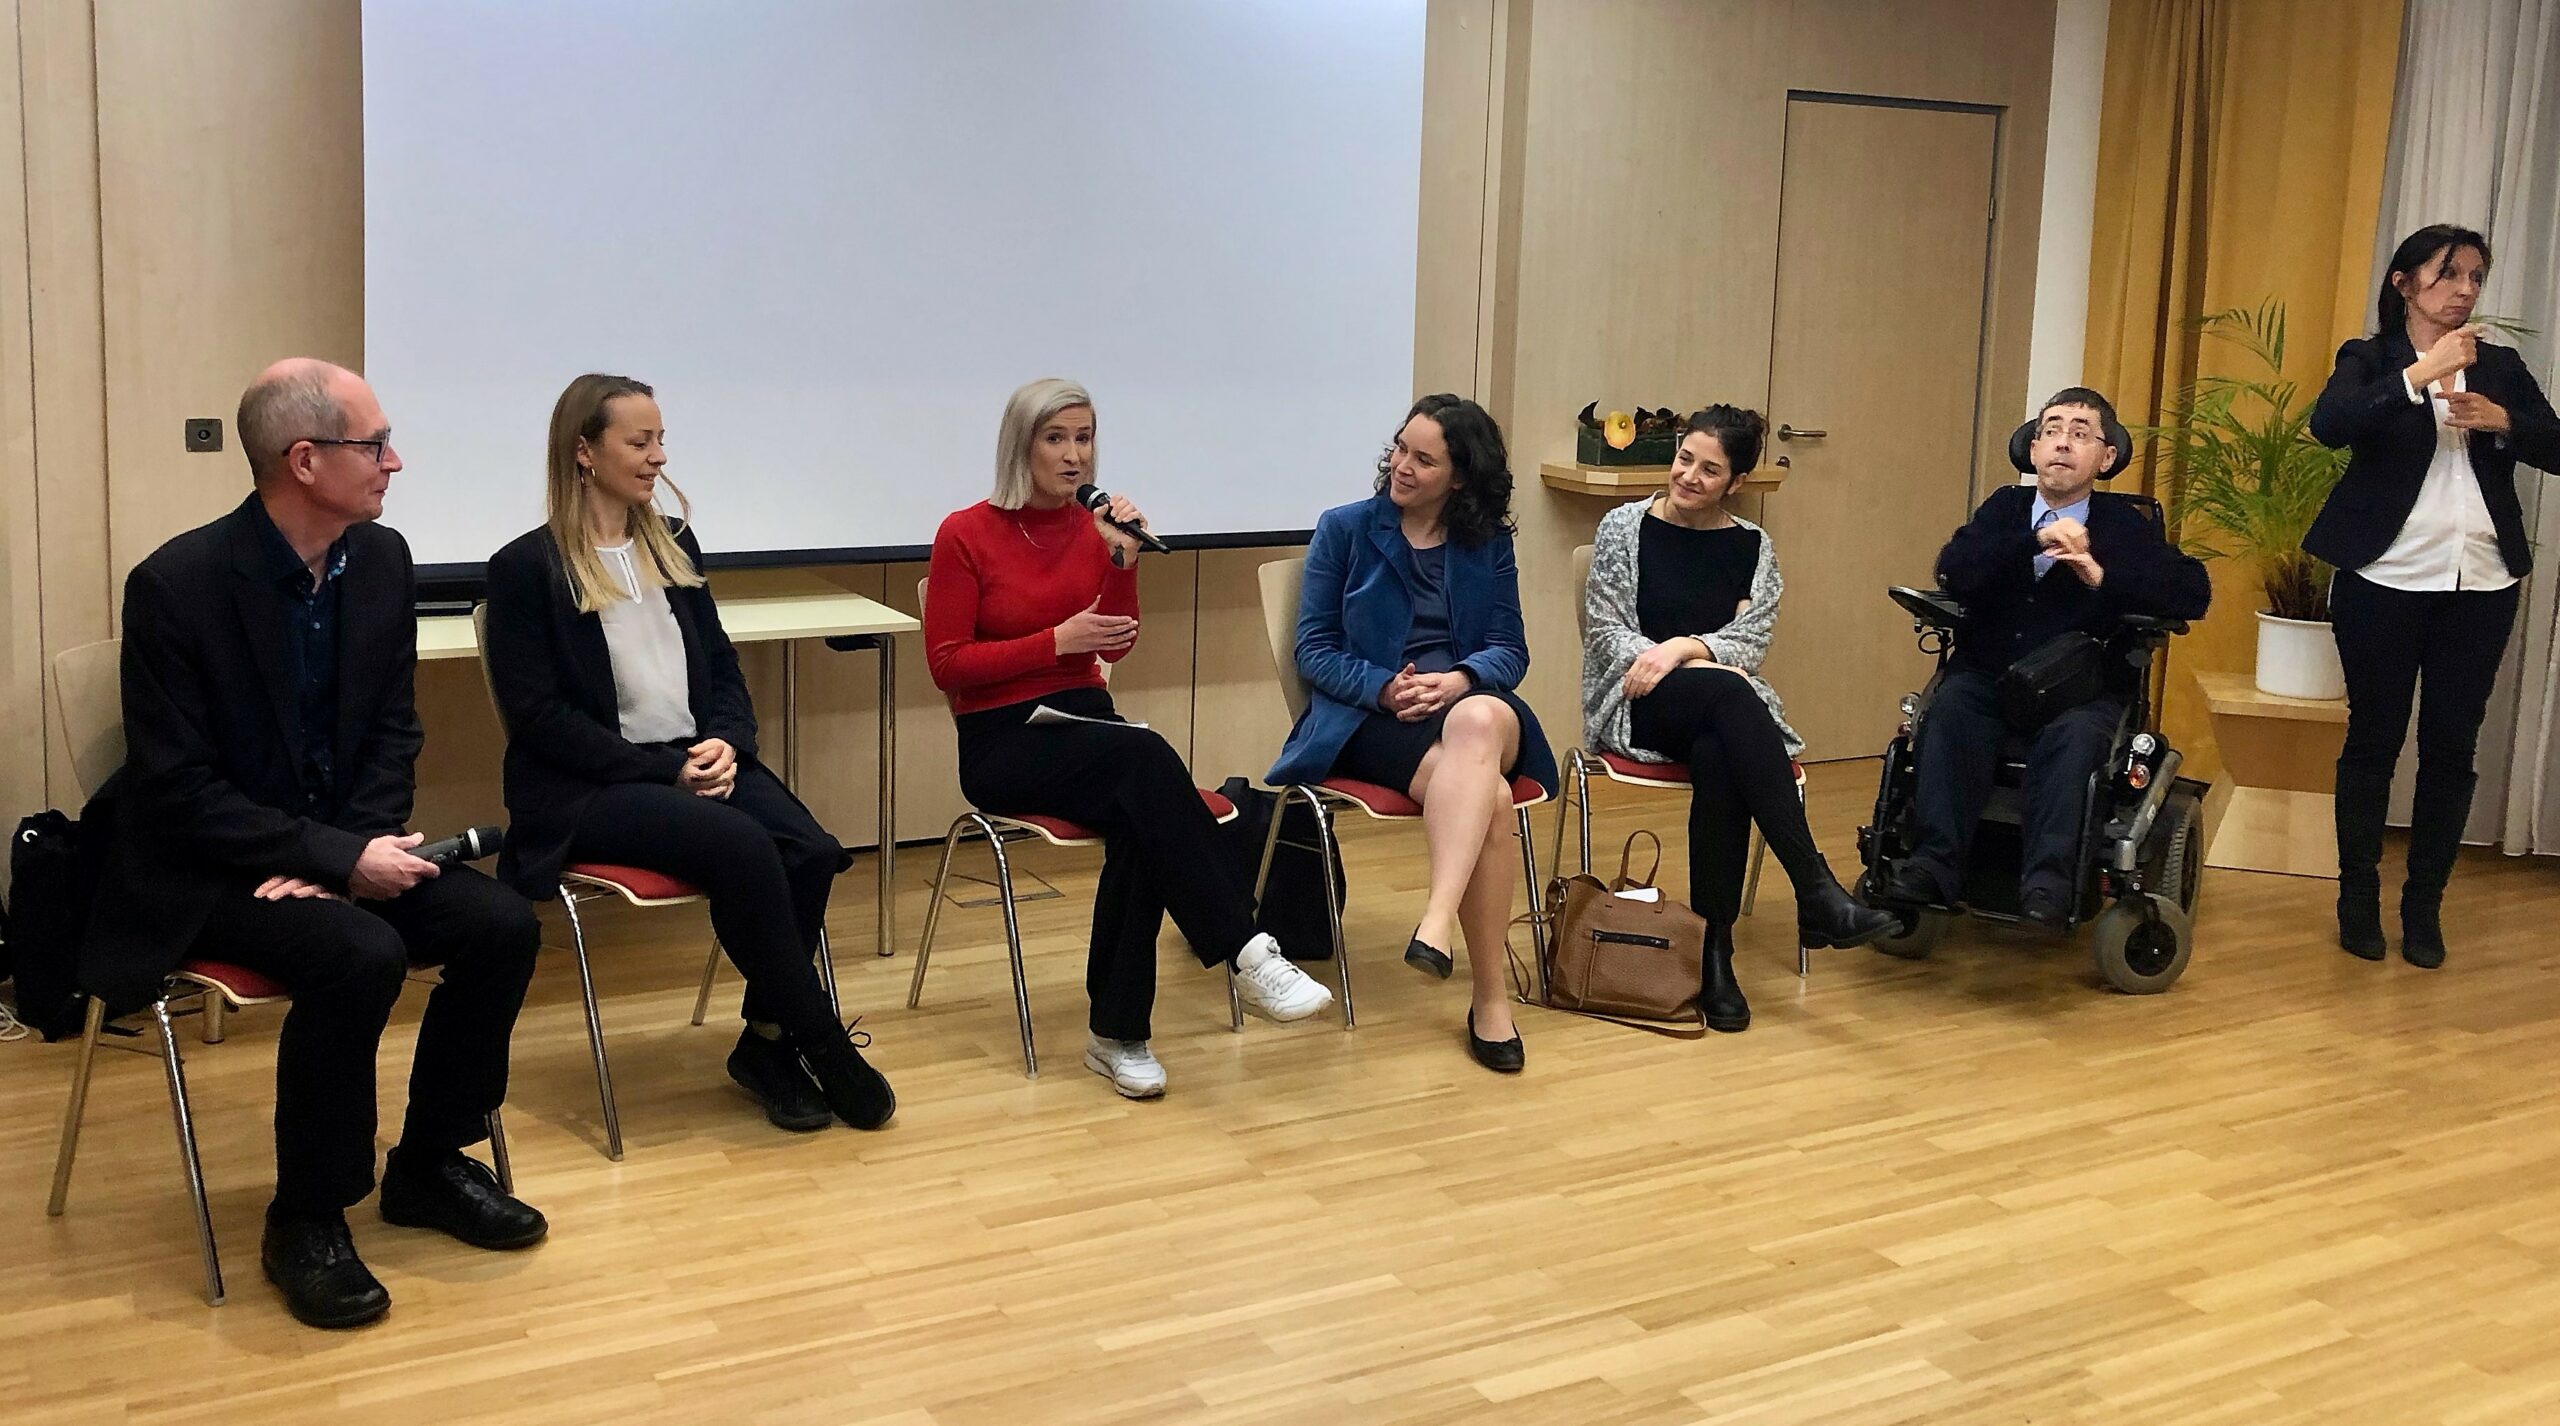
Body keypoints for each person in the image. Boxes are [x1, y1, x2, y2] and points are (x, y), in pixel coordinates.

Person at [77, 359, 546, 1330]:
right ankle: (308, 1213)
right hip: (206, 864)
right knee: (358, 954)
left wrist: (360, 843)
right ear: (304, 459)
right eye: (374, 444)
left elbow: (390, 728)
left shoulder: (380, 558)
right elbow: (179, 791)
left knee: (499, 923)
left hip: (340, 844)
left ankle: (427, 1164)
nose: (394, 462)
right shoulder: (178, 585)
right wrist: (333, 862)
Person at [482, 374, 894, 1133]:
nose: (658, 457)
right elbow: (541, 723)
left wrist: (729, 742)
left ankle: (766, 1044)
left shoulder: (672, 542)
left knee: (810, 850)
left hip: (692, 757)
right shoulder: (525, 570)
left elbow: (720, 664)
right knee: (743, 847)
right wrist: (663, 768)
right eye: (640, 443)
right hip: (592, 785)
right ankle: (824, 1042)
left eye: (661, 440)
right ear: (584, 452)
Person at [924, 378, 1334, 1099]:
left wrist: (1122, 562)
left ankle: (1119, 1037)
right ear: (1021, 445)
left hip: (1087, 725)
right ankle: (1244, 948)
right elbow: (947, 664)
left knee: (1145, 811)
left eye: (1084, 438)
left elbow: (1122, 639)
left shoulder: (1096, 529)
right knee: (1146, 764)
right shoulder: (966, 532)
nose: (1074, 455)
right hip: (1002, 737)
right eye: (1056, 439)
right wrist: (1055, 641)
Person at [1581, 405, 1899, 1032]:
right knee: (1732, 700)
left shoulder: (1754, 547)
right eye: (1684, 460)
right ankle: (1814, 887)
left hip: (1712, 710)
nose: (1690, 476)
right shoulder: (1624, 527)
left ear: (1735, 483)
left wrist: (1682, 647)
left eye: (1710, 469)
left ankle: (1716, 953)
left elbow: (1751, 640)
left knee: (1721, 750)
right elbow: (1605, 629)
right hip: (1636, 700)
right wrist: (1675, 657)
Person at [1271, 393, 1557, 1073]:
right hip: (1376, 718)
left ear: (1458, 477)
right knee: (1487, 799)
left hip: (1469, 711)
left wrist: (1459, 678)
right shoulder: (1344, 529)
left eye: (1422, 459)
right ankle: (1491, 1004)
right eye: (1400, 448)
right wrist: (1382, 685)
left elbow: (1509, 650)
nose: (1401, 465)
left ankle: (1436, 920)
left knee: (1480, 715)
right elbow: (1312, 649)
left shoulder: (1487, 543)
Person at [2309, 224, 2560, 968]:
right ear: (2404, 282)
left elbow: (2557, 442)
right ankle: (2358, 900)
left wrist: (2503, 419)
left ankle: (2424, 908)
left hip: (2480, 583)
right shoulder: (2371, 359)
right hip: (2383, 578)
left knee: (2453, 746)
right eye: (2449, 274)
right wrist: (2421, 376)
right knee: (2374, 740)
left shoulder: (2501, 367)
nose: (2465, 290)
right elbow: (2330, 426)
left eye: (2476, 277)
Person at [1872, 387, 2211, 927]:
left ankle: (2050, 887)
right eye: (2051, 430)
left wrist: (2102, 575)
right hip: (1988, 676)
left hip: (2080, 690)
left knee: (2076, 740)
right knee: (1952, 710)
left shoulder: (2124, 524)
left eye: (2081, 434)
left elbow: (2193, 593)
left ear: (2105, 458)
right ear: (2031, 451)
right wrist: (2034, 541)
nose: (2062, 443)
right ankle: (1932, 868)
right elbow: (1955, 569)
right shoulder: (2005, 509)